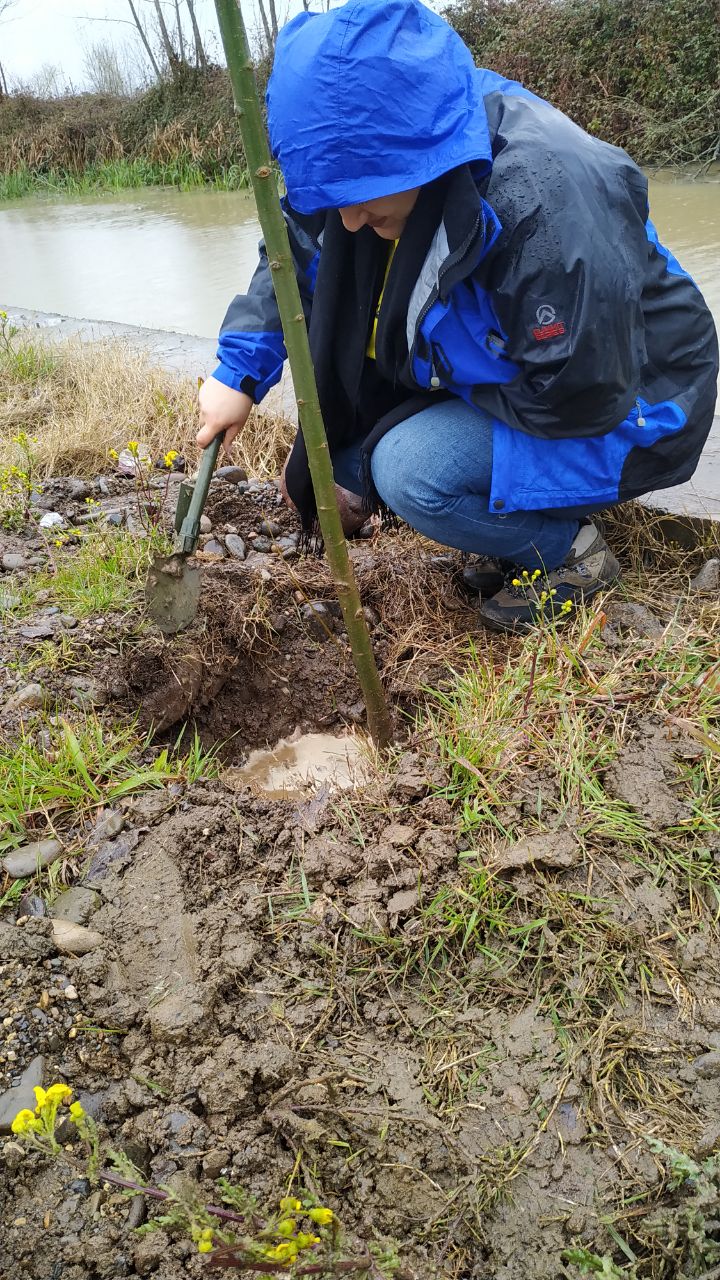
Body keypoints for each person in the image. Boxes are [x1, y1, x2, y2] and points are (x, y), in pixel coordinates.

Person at [197, 0, 718, 632]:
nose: (350, 223)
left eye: (358, 201)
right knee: (333, 466)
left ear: (417, 157)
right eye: (332, 199)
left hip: (635, 400)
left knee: (408, 471)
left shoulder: (545, 197)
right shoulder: (372, 163)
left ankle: (571, 555)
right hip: (523, 382)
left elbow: (583, 391)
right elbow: (295, 253)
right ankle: (507, 525)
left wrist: (409, 412)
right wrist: (237, 374)